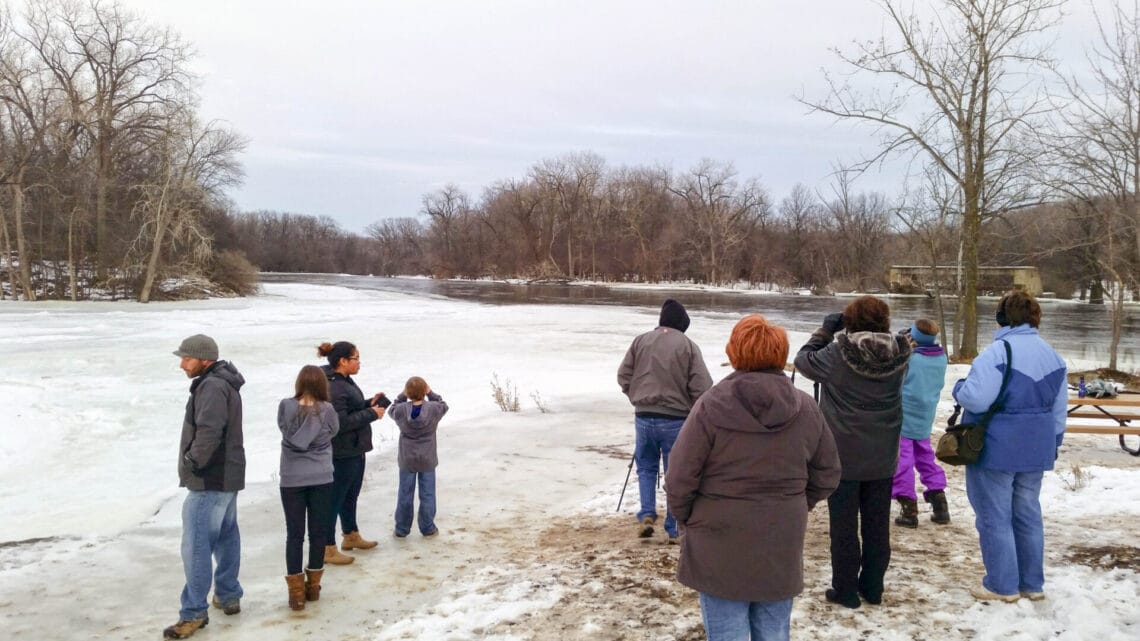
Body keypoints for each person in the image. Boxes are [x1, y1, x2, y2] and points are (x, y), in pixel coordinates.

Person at [666, 314, 841, 641]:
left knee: (728, 633)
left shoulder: (710, 405)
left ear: (735, 352)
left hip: (719, 535)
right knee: (773, 632)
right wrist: (796, 504)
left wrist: (688, 517)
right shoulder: (805, 407)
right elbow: (827, 472)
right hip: (780, 534)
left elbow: (679, 477)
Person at [793, 296, 911, 609]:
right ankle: (873, 587)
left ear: (850, 321)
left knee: (843, 526)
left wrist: (824, 332)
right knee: (877, 525)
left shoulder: (837, 353)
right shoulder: (902, 352)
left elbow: (803, 361)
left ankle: (845, 589)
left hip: (842, 454)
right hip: (884, 453)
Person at [953, 290, 1066, 602]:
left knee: (994, 515)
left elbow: (976, 398)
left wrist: (959, 387)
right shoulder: (1053, 355)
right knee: (1028, 513)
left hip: (997, 446)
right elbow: (1059, 411)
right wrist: (1054, 442)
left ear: (1002, 317)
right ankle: (1032, 584)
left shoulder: (997, 352)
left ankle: (1002, 586)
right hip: (1037, 446)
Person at [164, 334, 246, 640]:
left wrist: (193, 461)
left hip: (210, 477)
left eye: (187, 358)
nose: (182, 364)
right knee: (226, 535)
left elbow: (210, 431)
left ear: (205, 360)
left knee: (197, 544)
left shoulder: (211, 386)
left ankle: (193, 613)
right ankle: (227, 593)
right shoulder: (221, 382)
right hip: (227, 475)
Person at [617, 298, 713, 540]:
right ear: (682, 324)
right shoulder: (688, 346)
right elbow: (703, 386)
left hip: (643, 416)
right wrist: (691, 409)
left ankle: (647, 513)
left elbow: (623, 375)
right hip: (675, 420)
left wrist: (637, 396)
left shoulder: (641, 341)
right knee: (676, 474)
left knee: (646, 467)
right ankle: (673, 526)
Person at [278, 365, 339, 610]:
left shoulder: (285, 405)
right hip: (321, 475)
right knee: (318, 533)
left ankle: (296, 594)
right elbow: (334, 430)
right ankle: (313, 587)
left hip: (292, 477)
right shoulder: (328, 410)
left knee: (294, 534)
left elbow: (282, 428)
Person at [319, 341, 385, 564]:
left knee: (350, 495)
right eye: (356, 358)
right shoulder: (334, 387)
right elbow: (340, 422)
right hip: (342, 451)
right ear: (343, 361)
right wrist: (372, 414)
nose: (359, 363)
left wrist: (369, 404)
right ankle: (327, 547)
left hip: (355, 448)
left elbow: (351, 409)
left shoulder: (344, 380)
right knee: (335, 498)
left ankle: (350, 535)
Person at [892, 319, 950, 528]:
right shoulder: (941, 357)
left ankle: (908, 506)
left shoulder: (911, 358)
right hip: (925, 415)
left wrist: (901, 345)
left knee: (903, 460)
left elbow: (894, 374)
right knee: (925, 456)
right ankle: (939, 501)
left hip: (904, 415)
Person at [387, 377, 449, 538]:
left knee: (405, 493)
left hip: (407, 457)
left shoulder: (401, 410)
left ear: (408, 393)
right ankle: (427, 527)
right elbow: (444, 405)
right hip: (427, 457)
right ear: (424, 391)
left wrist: (402, 395)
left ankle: (401, 529)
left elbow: (391, 409)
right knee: (427, 493)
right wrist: (430, 392)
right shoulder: (434, 408)